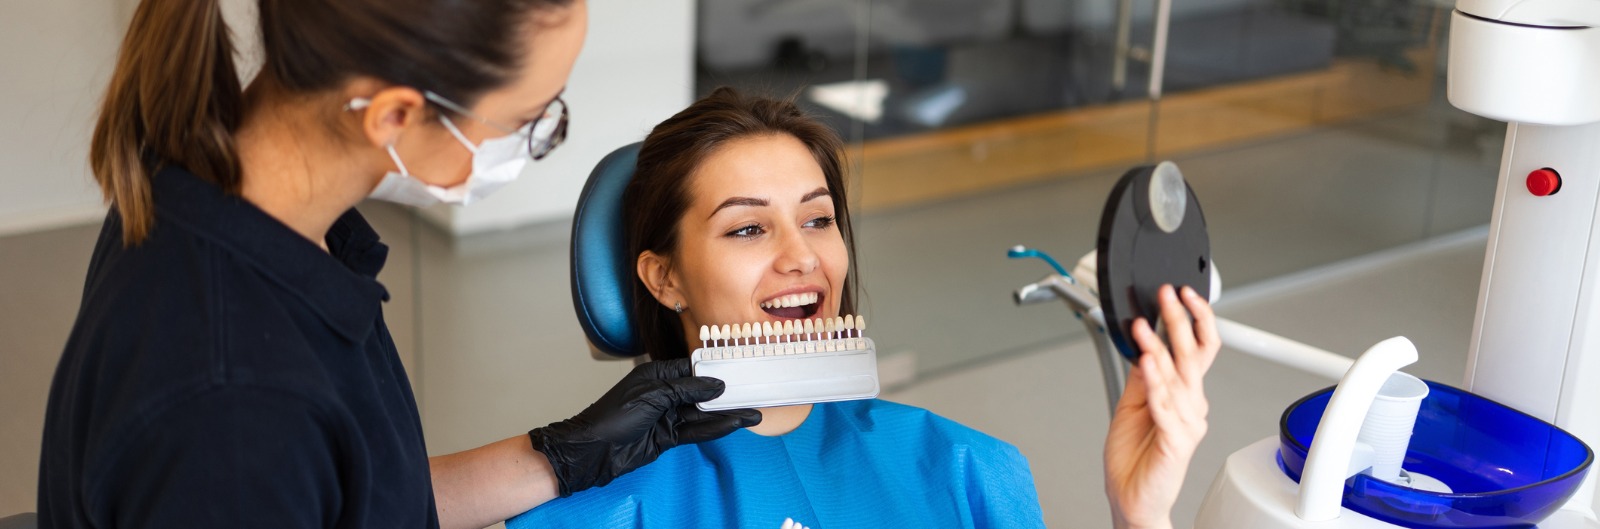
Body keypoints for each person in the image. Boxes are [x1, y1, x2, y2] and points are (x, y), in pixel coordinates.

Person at [37, 1, 760, 528]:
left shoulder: (224, 192)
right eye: (526, 120)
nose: (537, 141)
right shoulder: (232, 400)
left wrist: (563, 454)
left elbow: (354, 502)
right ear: (392, 116)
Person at [507, 87, 1221, 529]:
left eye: (818, 220)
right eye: (748, 228)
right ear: (665, 278)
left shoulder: (968, 466)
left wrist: (1141, 515)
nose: (802, 257)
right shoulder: (597, 509)